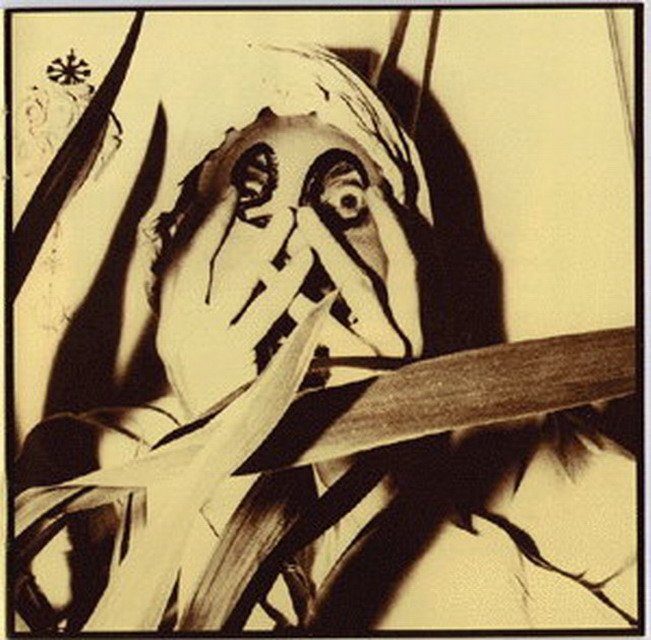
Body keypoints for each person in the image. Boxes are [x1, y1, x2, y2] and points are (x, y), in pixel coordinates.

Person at [13, 42, 638, 633]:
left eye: (346, 205)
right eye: (250, 203)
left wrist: (367, 469)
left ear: (410, 264)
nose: (298, 246)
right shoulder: (78, 474)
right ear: (171, 259)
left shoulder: (537, 461)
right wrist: (225, 448)